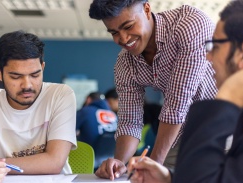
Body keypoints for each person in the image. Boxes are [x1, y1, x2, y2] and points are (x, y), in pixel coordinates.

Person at [127, 0, 243, 182]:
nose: (208, 56)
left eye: (215, 46)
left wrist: (228, 96)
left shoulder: (233, 106)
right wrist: (169, 179)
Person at [89, 0, 217, 179]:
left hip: (225, 126)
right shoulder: (125, 64)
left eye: (128, 26)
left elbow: (177, 103)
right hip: (182, 135)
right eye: (114, 32)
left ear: (147, 9)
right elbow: (130, 121)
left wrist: (155, 164)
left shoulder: (189, 24)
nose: (124, 39)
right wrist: (119, 162)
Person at [0, 30, 77, 182]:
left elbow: (54, 162)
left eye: (35, 75)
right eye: (16, 77)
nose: (27, 85)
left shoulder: (60, 95)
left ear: (42, 67)